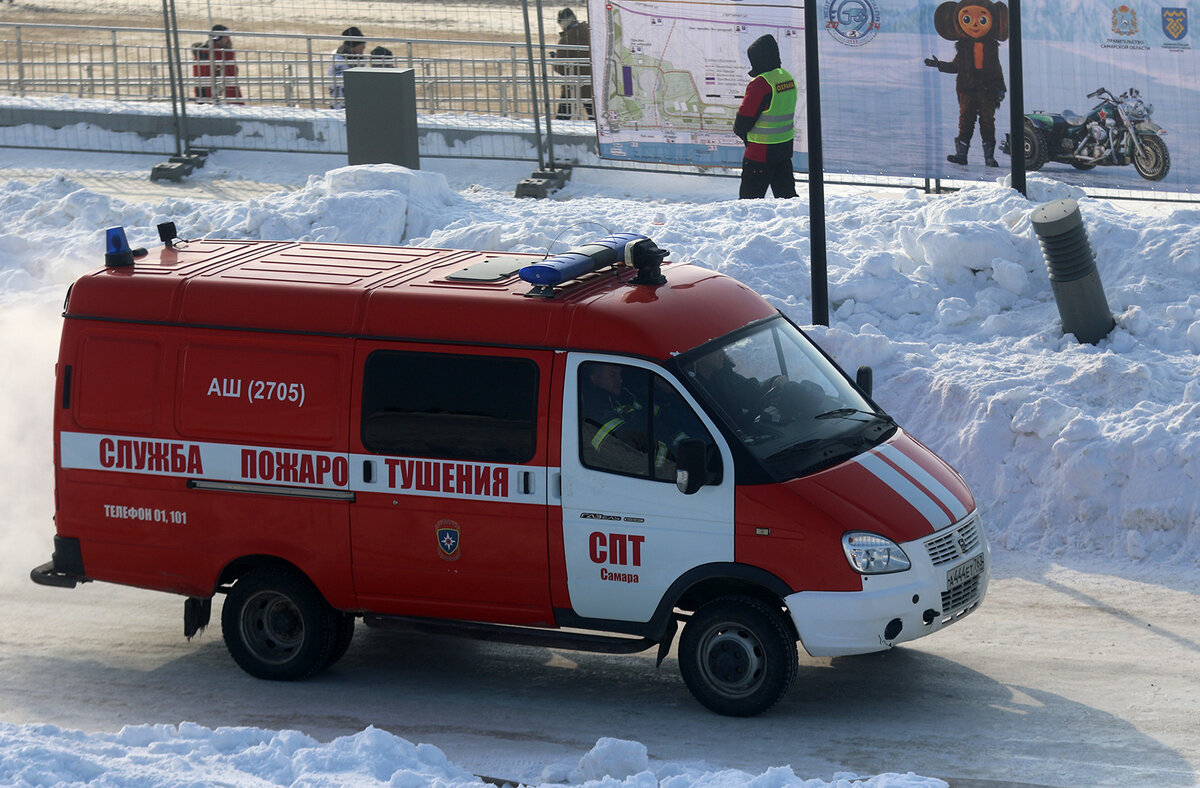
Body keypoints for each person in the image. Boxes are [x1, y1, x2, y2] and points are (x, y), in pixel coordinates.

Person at [924, 1, 1009, 167]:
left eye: (982, 20)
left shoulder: (991, 47)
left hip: (988, 90)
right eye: (967, 19)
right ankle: (961, 154)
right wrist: (939, 65)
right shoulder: (964, 48)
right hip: (967, 89)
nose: (975, 24)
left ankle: (989, 157)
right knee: (965, 120)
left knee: (987, 121)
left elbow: (995, 68)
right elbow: (957, 66)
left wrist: (1000, 88)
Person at [733, 34, 798, 200]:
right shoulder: (787, 78)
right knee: (787, 199)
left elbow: (743, 120)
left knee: (748, 203)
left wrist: (740, 131)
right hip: (783, 150)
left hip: (760, 153)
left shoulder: (761, 84)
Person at [552, 8, 593, 121]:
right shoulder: (591, 32)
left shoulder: (566, 40)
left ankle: (557, 138)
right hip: (592, 84)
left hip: (573, 85)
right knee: (595, 117)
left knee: (562, 118)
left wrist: (555, 58)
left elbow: (560, 68)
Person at [191, 24, 242, 102]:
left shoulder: (222, 52)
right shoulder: (208, 53)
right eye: (226, 37)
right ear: (218, 38)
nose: (229, 39)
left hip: (220, 95)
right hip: (212, 97)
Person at [329, 27, 367, 109]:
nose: (364, 47)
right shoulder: (341, 65)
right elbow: (341, 90)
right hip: (342, 108)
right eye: (362, 44)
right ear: (354, 46)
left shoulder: (349, 58)